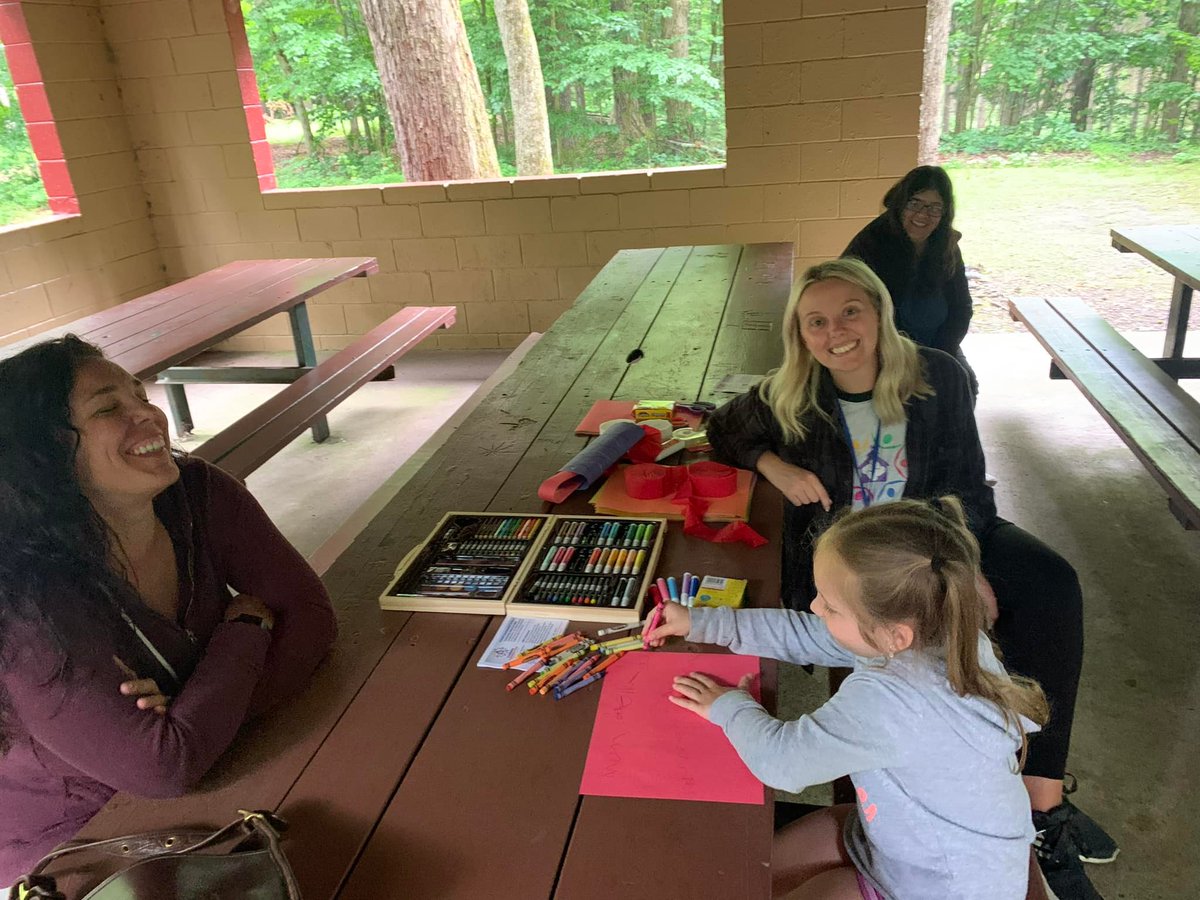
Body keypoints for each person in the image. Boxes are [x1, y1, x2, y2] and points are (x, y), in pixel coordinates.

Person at [705, 258, 1114, 900]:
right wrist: (774, 466)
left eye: (850, 312)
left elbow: (967, 484)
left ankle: (1043, 800)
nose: (836, 331)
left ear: (878, 313)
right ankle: (880, 801)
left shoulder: (937, 375)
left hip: (936, 538)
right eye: (816, 321)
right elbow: (721, 429)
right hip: (851, 559)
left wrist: (965, 564)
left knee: (1051, 583)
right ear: (800, 334)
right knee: (855, 645)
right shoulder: (793, 392)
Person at [0, 336, 338, 886]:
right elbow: (158, 769)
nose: (148, 415)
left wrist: (190, 718)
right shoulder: (24, 594)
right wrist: (244, 631)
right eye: (109, 409)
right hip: (74, 849)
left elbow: (310, 618)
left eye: (140, 395)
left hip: (221, 788)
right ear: (42, 453)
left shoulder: (197, 493)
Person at [648, 497, 1048, 899]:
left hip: (938, 887)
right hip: (912, 842)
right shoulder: (938, 632)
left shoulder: (893, 700)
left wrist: (729, 706)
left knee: (758, 878)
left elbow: (783, 763)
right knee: (747, 872)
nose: (814, 606)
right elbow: (806, 634)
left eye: (830, 605)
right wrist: (700, 621)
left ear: (894, 634)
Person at [842, 165, 978, 396]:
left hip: (936, 342)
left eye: (935, 208)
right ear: (900, 203)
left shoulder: (946, 245)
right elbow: (849, 307)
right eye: (915, 203)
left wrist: (940, 354)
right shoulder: (870, 244)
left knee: (963, 384)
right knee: (898, 395)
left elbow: (961, 308)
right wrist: (894, 358)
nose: (923, 215)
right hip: (884, 347)